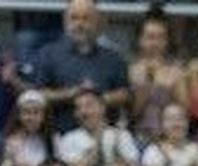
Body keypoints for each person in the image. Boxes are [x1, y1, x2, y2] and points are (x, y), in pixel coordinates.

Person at [30, 0, 131, 133]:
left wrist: (98, 99)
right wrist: (71, 94)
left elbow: (126, 94)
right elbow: (39, 94)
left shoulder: (114, 58)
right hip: (60, 137)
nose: (79, 24)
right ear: (65, 22)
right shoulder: (49, 55)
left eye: (86, 18)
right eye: (74, 18)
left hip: (103, 140)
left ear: (98, 23)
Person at [55, 87, 141, 166]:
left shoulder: (121, 135)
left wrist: (116, 152)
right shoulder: (69, 139)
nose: (83, 112)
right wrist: (99, 141)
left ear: (102, 107)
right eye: (78, 108)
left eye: (89, 105)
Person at [128, 7, 188, 144]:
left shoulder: (177, 71)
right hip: (138, 137)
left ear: (167, 41)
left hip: (170, 140)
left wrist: (169, 87)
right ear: (140, 40)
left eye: (160, 37)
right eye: (149, 37)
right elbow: (132, 114)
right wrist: (149, 83)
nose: (155, 43)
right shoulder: (131, 70)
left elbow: (185, 111)